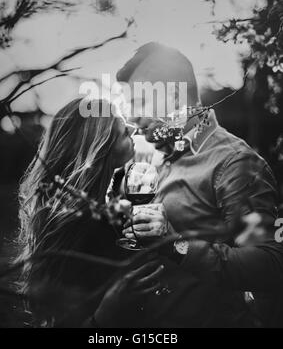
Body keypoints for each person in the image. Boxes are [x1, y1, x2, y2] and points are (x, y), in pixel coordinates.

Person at [117, 42, 283, 328]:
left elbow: (269, 265)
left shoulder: (234, 161)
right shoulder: (156, 158)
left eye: (138, 102)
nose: (130, 118)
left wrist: (176, 245)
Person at [17, 98, 164, 328]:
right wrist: (106, 314)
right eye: (123, 131)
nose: (133, 129)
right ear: (101, 150)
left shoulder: (107, 211)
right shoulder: (79, 229)